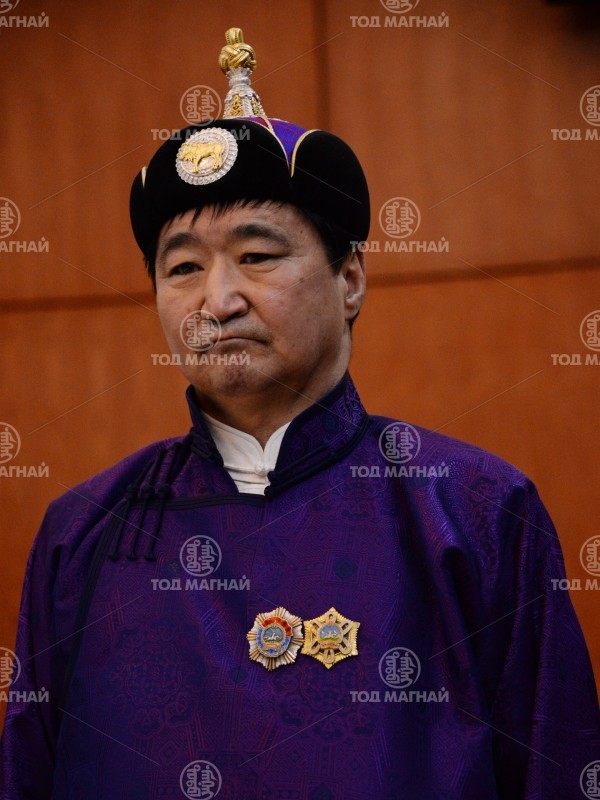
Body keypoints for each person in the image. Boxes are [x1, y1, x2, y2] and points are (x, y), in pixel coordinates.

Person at [1, 27, 598, 800]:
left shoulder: (476, 510)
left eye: (257, 257)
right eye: (183, 267)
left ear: (350, 279)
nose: (217, 300)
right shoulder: (83, 531)